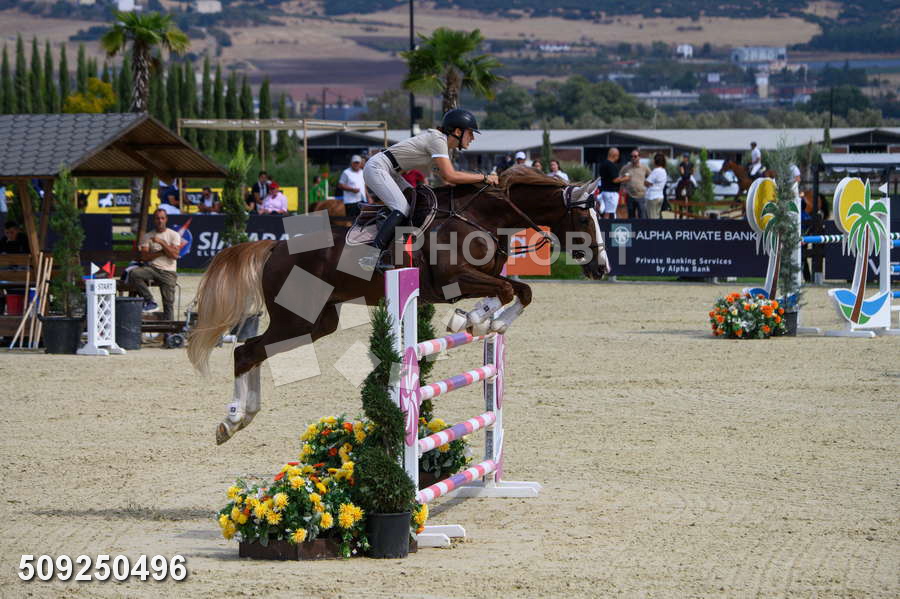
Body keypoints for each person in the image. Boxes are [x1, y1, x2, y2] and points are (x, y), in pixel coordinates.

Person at [358, 108, 499, 271]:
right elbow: (451, 176)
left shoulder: (442, 146)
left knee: (416, 201)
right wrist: (484, 178)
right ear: (458, 131)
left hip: (391, 172)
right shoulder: (438, 140)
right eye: (470, 133)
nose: (473, 138)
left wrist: (480, 185)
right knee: (402, 208)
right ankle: (370, 257)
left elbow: (448, 181)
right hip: (378, 168)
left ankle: (396, 245)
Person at [131, 209, 182, 319]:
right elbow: (144, 257)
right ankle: (150, 300)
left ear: (166, 219)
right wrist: (163, 252)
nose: (160, 221)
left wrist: (161, 242)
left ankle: (169, 328)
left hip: (169, 271)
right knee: (134, 274)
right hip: (153, 269)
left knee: (168, 303)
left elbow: (174, 255)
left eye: (162, 218)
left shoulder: (174, 235)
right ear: (154, 220)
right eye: (157, 218)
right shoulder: (148, 236)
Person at [597, 148, 628, 219]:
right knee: (609, 213)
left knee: (608, 212)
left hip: (604, 191)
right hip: (611, 193)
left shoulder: (603, 164)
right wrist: (626, 178)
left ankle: (605, 224)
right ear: (615, 155)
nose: (618, 157)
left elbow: (608, 177)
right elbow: (615, 180)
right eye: (618, 155)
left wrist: (620, 177)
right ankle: (606, 225)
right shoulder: (611, 165)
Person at [620, 150, 651, 218]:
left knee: (642, 216)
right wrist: (623, 188)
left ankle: (642, 225)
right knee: (631, 217)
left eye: (635, 156)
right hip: (630, 196)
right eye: (631, 156)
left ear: (639, 157)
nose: (633, 158)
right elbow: (620, 178)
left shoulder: (644, 167)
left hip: (641, 195)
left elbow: (651, 177)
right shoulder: (626, 167)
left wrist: (647, 185)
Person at [645, 153, 669, 219]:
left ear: (655, 161)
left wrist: (650, 183)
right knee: (657, 217)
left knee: (652, 219)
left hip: (652, 197)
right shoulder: (664, 171)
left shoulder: (656, 171)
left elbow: (646, 183)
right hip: (660, 196)